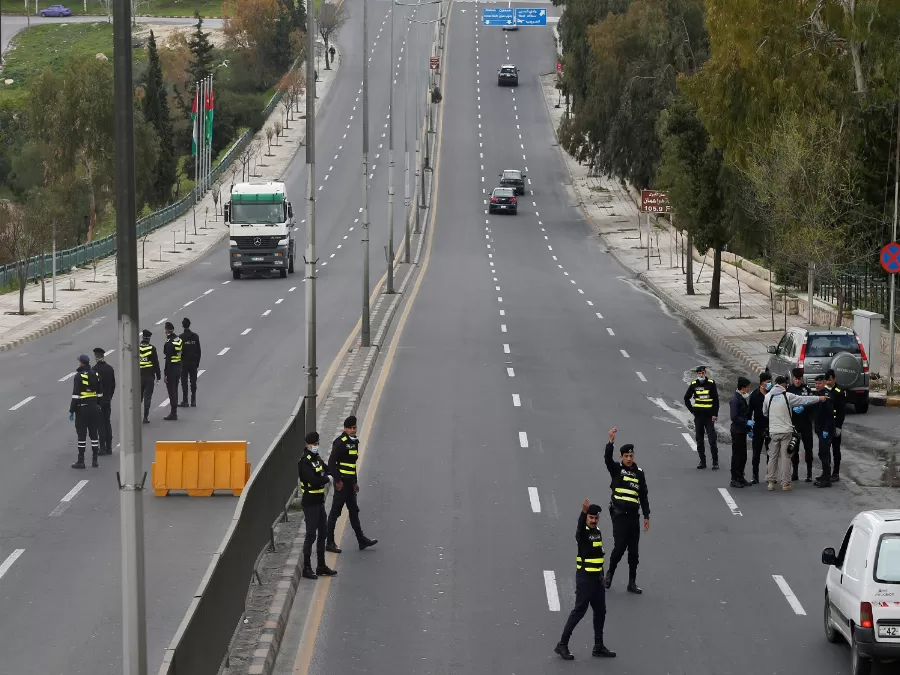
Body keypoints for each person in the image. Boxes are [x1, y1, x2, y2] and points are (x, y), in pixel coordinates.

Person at [554, 499, 617, 661]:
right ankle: (562, 644)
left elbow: (598, 555)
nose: (594, 520)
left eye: (596, 518)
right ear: (587, 518)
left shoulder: (597, 532)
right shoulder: (582, 532)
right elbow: (579, 526)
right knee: (579, 612)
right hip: (585, 578)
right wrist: (582, 514)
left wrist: (602, 575)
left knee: (600, 611)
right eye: (591, 517)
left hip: (596, 579)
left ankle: (598, 646)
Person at [603, 427, 650, 593]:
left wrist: (646, 515)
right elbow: (607, 459)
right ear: (621, 457)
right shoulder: (617, 469)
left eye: (631, 456)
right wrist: (611, 442)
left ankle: (632, 582)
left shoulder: (639, 473)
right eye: (626, 456)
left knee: (634, 552)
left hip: (633, 517)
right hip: (619, 515)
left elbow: (643, 495)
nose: (629, 459)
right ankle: (609, 574)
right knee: (620, 547)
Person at [763, 375, 826, 492]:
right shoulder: (788, 396)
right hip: (786, 431)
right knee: (786, 457)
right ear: (783, 385)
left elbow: (765, 412)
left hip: (773, 431)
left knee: (772, 457)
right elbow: (804, 399)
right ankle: (785, 484)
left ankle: (771, 482)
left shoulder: (767, 397)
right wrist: (820, 398)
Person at [326, 416, 378, 553]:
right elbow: (331, 464)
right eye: (351, 428)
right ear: (346, 428)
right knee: (335, 513)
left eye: (355, 428)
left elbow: (352, 465)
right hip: (342, 484)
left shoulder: (354, 442)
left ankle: (361, 540)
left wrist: (355, 482)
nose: (354, 430)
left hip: (350, 484)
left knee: (354, 511)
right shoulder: (340, 442)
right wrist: (338, 481)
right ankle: (329, 542)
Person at [298, 431, 338, 580]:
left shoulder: (316, 458)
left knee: (323, 533)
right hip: (310, 503)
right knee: (310, 535)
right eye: (314, 444)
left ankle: (321, 565)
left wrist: (329, 473)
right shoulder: (304, 462)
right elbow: (313, 480)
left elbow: (326, 468)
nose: (316, 446)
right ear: (308, 445)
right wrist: (326, 478)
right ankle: (306, 568)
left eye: (317, 444)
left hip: (319, 502)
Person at [69, 354, 102, 469]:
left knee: (81, 435)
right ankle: (95, 460)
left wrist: (71, 411)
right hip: (94, 408)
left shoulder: (78, 376)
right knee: (94, 434)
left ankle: (81, 461)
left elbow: (75, 396)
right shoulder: (96, 374)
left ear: (82, 363)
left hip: (82, 409)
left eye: (79, 361)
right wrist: (97, 405)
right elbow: (100, 394)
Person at [683, 366, 719, 469]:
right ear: (697, 374)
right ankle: (702, 462)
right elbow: (686, 398)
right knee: (699, 440)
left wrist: (714, 414)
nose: (701, 375)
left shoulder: (711, 383)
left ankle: (715, 462)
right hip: (698, 416)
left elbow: (716, 400)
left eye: (702, 373)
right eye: (699, 374)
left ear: (705, 373)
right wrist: (692, 410)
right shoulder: (694, 384)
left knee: (712, 439)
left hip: (709, 416)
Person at [787, 368, 815, 483]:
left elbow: (811, 403)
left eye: (799, 379)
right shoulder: (789, 389)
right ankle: (795, 473)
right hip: (794, 424)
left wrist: (804, 407)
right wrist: (793, 409)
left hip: (806, 424)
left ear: (802, 379)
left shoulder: (807, 389)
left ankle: (809, 473)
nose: (797, 381)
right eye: (795, 379)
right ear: (793, 378)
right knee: (794, 449)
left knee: (808, 449)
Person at [729, 377, 753, 488]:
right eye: (748, 387)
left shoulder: (741, 398)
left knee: (743, 456)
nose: (749, 389)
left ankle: (740, 476)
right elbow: (734, 417)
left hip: (742, 431)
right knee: (737, 455)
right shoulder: (735, 399)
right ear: (743, 387)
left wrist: (748, 429)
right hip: (737, 431)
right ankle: (734, 478)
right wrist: (746, 422)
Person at [814, 374, 837, 488]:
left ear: (824, 383)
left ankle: (827, 479)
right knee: (822, 452)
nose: (817, 385)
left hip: (825, 429)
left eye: (819, 383)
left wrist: (826, 429)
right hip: (820, 429)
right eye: (816, 383)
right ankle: (824, 474)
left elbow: (829, 416)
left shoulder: (826, 396)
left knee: (824, 453)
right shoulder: (817, 394)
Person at [748, 372, 772, 484]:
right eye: (768, 382)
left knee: (770, 453)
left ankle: (770, 475)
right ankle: (755, 475)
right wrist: (749, 427)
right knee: (756, 453)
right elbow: (749, 412)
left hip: (770, 427)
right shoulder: (754, 395)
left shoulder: (772, 394)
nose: (769, 384)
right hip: (758, 427)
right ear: (762, 383)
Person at [92, 347, 115, 455]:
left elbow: (93, 387)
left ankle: (102, 448)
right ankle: (109, 448)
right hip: (107, 399)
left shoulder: (94, 370)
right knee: (107, 423)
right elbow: (113, 385)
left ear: (96, 357)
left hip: (98, 401)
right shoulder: (110, 368)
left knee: (100, 424)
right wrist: (109, 396)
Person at [825, 369, 846, 482]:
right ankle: (826, 471)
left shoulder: (839, 392)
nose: (828, 382)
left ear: (834, 379)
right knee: (825, 449)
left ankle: (836, 472)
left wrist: (839, 427)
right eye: (827, 380)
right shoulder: (824, 391)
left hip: (835, 425)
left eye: (830, 380)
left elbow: (841, 411)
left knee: (836, 450)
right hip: (826, 426)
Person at [139, 329, 161, 423]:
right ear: (149, 338)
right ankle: (145, 417)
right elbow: (156, 363)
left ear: (142, 337)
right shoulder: (152, 348)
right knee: (147, 397)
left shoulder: (137, 348)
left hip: (138, 376)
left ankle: (135, 416)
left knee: (138, 397)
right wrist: (158, 376)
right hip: (149, 376)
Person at [178, 317, 202, 408]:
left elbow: (179, 351)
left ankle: (185, 400)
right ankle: (193, 400)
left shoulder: (181, 337)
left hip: (184, 363)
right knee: (193, 381)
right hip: (193, 362)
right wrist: (197, 363)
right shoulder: (195, 336)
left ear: (182, 325)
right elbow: (199, 351)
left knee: (184, 381)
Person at [162, 321, 183, 421]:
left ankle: (173, 413)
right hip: (178, 367)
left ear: (166, 330)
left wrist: (166, 374)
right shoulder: (178, 339)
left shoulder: (169, 343)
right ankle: (174, 411)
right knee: (175, 389)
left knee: (171, 391)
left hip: (171, 369)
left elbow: (168, 360)